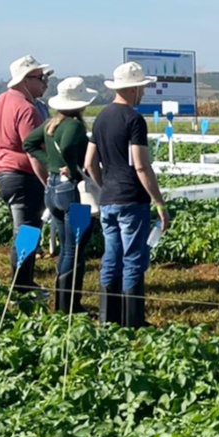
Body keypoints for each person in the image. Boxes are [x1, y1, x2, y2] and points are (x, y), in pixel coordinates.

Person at [84, 61, 171, 327]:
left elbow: (89, 163)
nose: (143, 92)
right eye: (142, 87)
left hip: (108, 198)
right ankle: (132, 321)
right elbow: (142, 166)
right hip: (132, 199)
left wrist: (105, 183)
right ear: (133, 89)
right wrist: (159, 202)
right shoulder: (134, 120)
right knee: (133, 259)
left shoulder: (101, 117)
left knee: (111, 257)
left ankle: (107, 318)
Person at [22, 76, 95, 313]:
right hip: (72, 191)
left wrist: (50, 164)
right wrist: (71, 168)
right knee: (77, 247)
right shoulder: (74, 126)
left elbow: (28, 144)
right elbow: (67, 148)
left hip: (52, 189)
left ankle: (62, 303)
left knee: (66, 246)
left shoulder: (51, 124)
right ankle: (70, 305)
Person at [0, 55, 53, 291]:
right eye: (39, 77)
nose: (43, 81)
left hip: (3, 173)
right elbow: (34, 150)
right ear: (25, 80)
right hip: (23, 177)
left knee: (24, 230)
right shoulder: (26, 109)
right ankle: (21, 285)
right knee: (26, 232)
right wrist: (47, 181)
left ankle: (23, 282)